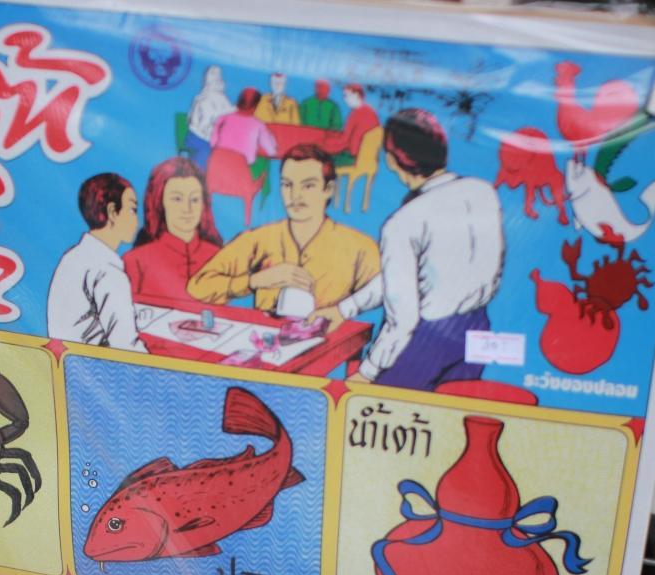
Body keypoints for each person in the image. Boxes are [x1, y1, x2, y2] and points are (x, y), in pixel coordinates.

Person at [312, 109, 504, 390]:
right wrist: (345, 309)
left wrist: (366, 374)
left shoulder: (403, 222)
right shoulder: (482, 192)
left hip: (428, 338)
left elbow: (402, 320)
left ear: (391, 160)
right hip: (478, 329)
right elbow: (409, 276)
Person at [188, 143, 380, 314]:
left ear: (328, 189)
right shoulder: (259, 239)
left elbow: (387, 294)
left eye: (308, 186)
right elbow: (198, 286)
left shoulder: (359, 248)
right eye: (287, 185)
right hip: (266, 341)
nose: (295, 195)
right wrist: (255, 281)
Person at [47, 173, 148, 352]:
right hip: (91, 364)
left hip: (69, 359)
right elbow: (127, 346)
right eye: (132, 210)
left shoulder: (76, 255)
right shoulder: (105, 268)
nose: (137, 221)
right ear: (112, 212)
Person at [123, 157, 223, 303]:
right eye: (177, 199)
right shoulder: (135, 262)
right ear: (159, 202)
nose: (187, 209)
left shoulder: (219, 257)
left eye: (194, 199)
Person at [210, 88, 278, 166]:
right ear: (256, 106)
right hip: (242, 167)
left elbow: (213, 143)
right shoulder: (258, 125)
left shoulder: (223, 118)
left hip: (220, 164)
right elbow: (272, 151)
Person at [185, 65, 233, 170]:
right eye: (216, 79)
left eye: (219, 78)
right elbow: (203, 125)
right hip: (199, 138)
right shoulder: (203, 99)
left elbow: (231, 115)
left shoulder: (222, 98)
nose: (219, 82)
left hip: (212, 139)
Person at [321, 84, 380, 164]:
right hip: (368, 157)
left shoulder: (356, 114)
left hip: (353, 157)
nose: (345, 99)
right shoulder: (370, 111)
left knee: (321, 159)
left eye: (346, 96)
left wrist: (324, 145)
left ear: (356, 95)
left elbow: (344, 141)